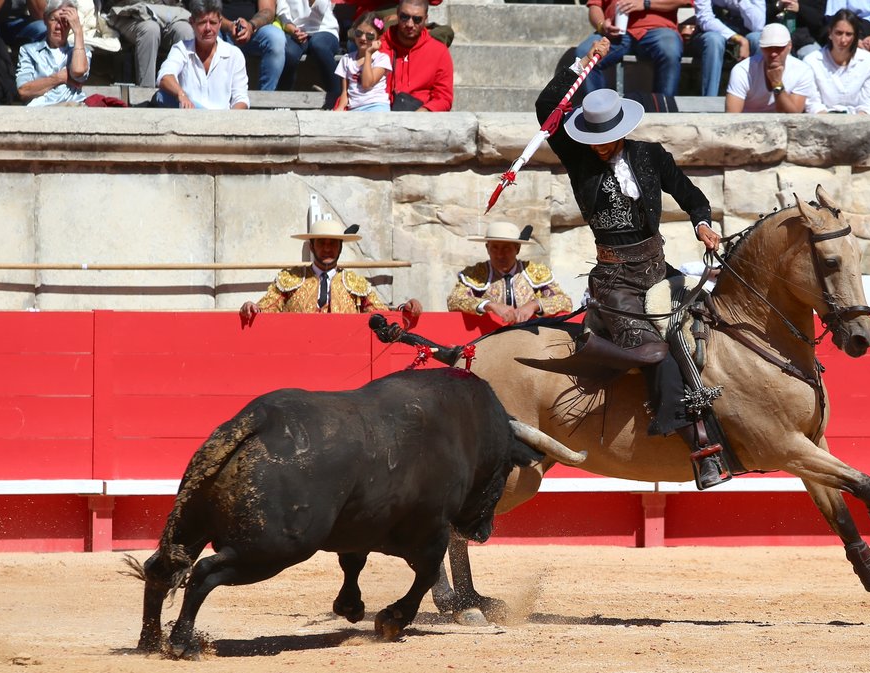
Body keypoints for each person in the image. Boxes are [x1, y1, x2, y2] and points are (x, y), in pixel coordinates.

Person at [537, 37, 733, 490]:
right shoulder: (578, 156)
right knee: (651, 349)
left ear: (622, 130)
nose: (602, 147)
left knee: (712, 321)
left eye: (609, 139)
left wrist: (703, 223)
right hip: (614, 280)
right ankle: (696, 442)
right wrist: (580, 66)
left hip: (658, 269)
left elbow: (690, 194)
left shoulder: (651, 157)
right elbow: (547, 106)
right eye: (596, 139)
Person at [240, 216, 423, 322]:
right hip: (298, 354)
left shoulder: (356, 284)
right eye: (322, 243)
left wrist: (403, 309)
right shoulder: (291, 278)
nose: (327, 248)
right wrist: (252, 307)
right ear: (311, 246)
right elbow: (267, 308)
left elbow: (380, 313)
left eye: (333, 243)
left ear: (341, 247)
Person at [446, 221, 574, 325]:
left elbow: (565, 301)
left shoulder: (536, 272)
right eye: (494, 248)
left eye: (506, 248)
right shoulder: (474, 274)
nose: (500, 254)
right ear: (487, 248)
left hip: (530, 343)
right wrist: (489, 305)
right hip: (488, 342)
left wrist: (534, 305)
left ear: (517, 249)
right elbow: (454, 300)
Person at [573, 0, 685, 97]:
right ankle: (599, 112)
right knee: (585, 53)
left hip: (658, 30)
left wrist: (646, 3)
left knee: (670, 50)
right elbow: (595, 6)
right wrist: (602, 26)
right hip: (615, 32)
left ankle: (664, 109)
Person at [155, 0, 249, 109]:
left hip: (222, 121)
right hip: (188, 118)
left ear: (220, 23)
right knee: (161, 96)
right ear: (192, 23)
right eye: (202, 23)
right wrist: (181, 95)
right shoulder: (181, 49)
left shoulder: (234, 55)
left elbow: (241, 99)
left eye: (213, 23)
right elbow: (164, 77)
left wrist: (228, 121)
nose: (208, 28)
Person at [725, 22, 820, 111]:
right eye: (768, 48)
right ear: (761, 47)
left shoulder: (802, 71)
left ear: (789, 46)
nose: (773, 53)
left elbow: (793, 117)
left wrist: (777, 84)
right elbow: (732, 115)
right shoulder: (743, 70)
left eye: (779, 48)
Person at [379, 0, 453, 111]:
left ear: (426, 18)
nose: (410, 24)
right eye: (404, 17)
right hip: (381, 114)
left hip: (420, 118)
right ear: (397, 14)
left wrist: (422, 113)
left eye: (417, 19)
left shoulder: (439, 51)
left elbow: (443, 98)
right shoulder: (379, 45)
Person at [803, 9, 870, 113]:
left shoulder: (869, 62)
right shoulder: (811, 61)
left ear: (855, 37)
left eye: (848, 34)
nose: (843, 40)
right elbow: (813, 104)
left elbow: (869, 105)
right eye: (839, 33)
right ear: (830, 33)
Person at [103, 0, 194, 87]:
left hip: (169, 12)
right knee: (150, 30)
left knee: (185, 30)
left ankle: (185, 92)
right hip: (131, 12)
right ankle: (146, 92)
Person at [14, 0, 88, 107]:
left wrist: (78, 31)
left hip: (73, 108)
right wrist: (60, 78)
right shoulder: (29, 51)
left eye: (65, 21)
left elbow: (78, 70)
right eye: (54, 20)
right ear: (45, 20)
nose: (59, 26)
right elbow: (23, 91)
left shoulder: (81, 52)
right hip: (39, 111)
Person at [692, 0, 765, 96]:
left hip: (745, 32)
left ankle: (758, 100)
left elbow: (758, 26)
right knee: (714, 40)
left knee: (758, 39)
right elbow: (704, 19)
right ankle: (709, 100)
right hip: (713, 32)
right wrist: (738, 38)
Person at [277, 0, 340, 107]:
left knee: (319, 46)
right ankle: (283, 102)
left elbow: (320, 8)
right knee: (289, 53)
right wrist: (293, 30)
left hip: (325, 29)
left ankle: (337, 97)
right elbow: (282, 14)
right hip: (297, 31)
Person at [219, 0, 284, 90]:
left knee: (276, 38)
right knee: (209, 33)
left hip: (254, 29)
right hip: (221, 28)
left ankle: (266, 98)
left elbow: (268, 10)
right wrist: (230, 26)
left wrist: (251, 26)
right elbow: (208, 10)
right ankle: (218, 96)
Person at [333, 11, 391, 111]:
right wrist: (340, 108)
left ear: (378, 38)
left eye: (370, 36)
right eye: (359, 33)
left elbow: (366, 84)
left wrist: (368, 54)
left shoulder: (382, 59)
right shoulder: (346, 59)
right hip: (355, 108)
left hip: (376, 106)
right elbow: (345, 92)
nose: (363, 38)